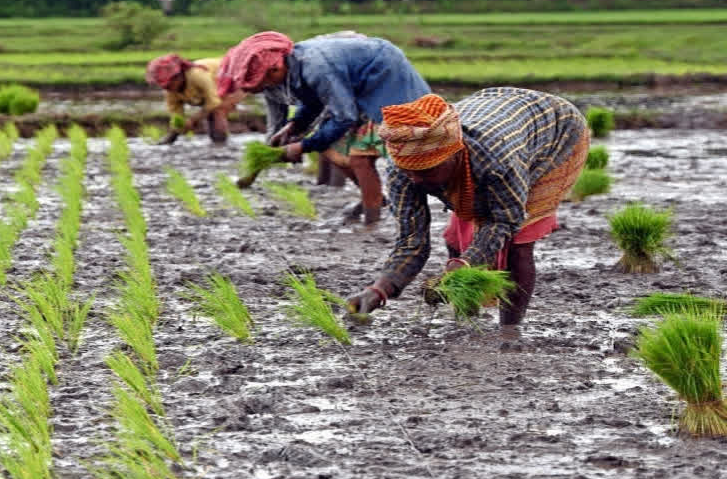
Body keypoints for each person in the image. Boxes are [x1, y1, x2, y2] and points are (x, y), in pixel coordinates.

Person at [346, 88, 590, 328]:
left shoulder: (498, 162)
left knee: (518, 241)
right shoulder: (404, 171)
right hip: (494, 113)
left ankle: (510, 330)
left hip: (554, 133)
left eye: (427, 171)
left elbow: (505, 220)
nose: (417, 180)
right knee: (456, 237)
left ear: (454, 154)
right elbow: (412, 241)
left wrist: (467, 262)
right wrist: (379, 289)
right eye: (410, 171)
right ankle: (466, 320)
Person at [218, 31, 431, 226]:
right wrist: (295, 125)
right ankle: (374, 200)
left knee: (376, 154)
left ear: (276, 67)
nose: (268, 88)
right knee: (336, 151)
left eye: (267, 81)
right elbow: (313, 102)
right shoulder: (284, 76)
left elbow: (344, 116)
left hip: (383, 77)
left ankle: (374, 218)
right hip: (354, 93)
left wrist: (302, 146)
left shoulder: (316, 66)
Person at [146, 54, 243, 145]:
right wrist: (171, 138)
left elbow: (214, 102)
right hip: (214, 92)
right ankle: (218, 146)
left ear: (178, 76)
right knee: (210, 115)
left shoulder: (197, 75)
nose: (167, 88)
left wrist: (193, 120)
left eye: (168, 84)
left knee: (217, 112)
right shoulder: (171, 91)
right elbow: (176, 115)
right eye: (164, 86)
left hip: (232, 79)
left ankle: (221, 147)